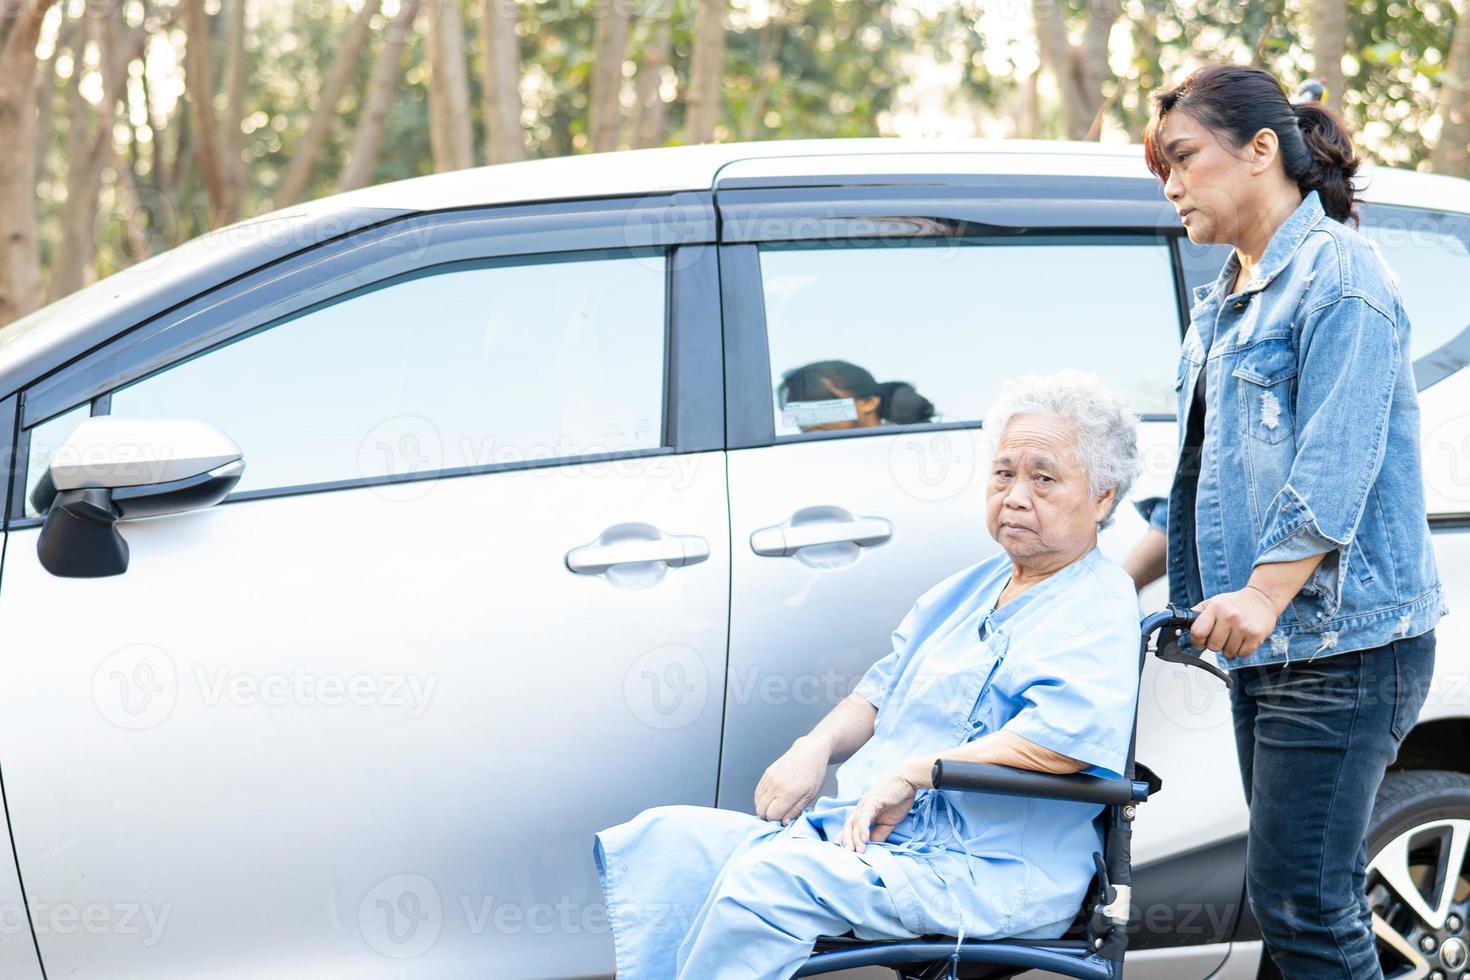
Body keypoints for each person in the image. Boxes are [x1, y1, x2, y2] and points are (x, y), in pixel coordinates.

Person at [594, 370, 1146, 979]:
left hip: (984, 870)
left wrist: (914, 772)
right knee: (668, 839)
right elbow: (879, 693)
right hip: (881, 841)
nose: (1015, 496)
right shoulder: (967, 589)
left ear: (1102, 496)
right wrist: (816, 747)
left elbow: (1062, 740)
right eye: (1003, 473)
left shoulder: (1100, 601)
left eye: (1044, 478)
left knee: (773, 881)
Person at [1123, 63, 1447, 979]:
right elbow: (1196, 480)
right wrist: (1113, 581)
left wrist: (1264, 593)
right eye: (1162, 172)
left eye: (1183, 159)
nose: (1174, 186)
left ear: (1262, 149)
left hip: (1346, 648)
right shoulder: (1224, 298)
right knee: (1297, 897)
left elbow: (1334, 468)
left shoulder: (1340, 279)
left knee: (1304, 899)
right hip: (1272, 648)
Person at [776, 359, 935, 431]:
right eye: (796, 412)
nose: (807, 421)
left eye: (821, 404)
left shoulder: (911, 447)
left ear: (868, 402)